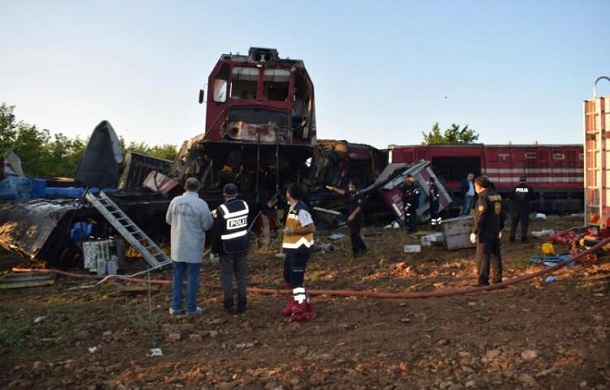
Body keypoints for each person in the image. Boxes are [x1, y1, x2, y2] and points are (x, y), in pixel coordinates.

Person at [166, 177, 214, 316]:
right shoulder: (201, 204)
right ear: (198, 188)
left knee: (177, 276)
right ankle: (191, 308)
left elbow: (168, 219)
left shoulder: (175, 201)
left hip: (178, 246)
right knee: (192, 277)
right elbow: (207, 225)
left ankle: (175, 307)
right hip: (193, 246)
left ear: (184, 187)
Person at [211, 183, 250, 315]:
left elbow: (217, 233)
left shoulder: (222, 209)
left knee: (227, 277)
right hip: (243, 246)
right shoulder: (244, 205)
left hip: (227, 248)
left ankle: (228, 305)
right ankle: (242, 304)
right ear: (236, 193)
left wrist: (214, 251)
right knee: (241, 276)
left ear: (224, 195)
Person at [281, 183, 317, 323]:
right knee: (288, 277)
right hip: (291, 250)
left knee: (297, 281)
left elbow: (311, 228)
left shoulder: (301, 210)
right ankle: (296, 300)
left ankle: (301, 305)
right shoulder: (293, 208)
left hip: (300, 250)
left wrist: (293, 231)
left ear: (290, 194)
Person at [470, 176, 503, 286]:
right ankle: (497, 279)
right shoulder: (497, 195)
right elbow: (502, 214)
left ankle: (483, 281)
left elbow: (481, 217)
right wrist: (500, 228)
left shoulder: (483, 198)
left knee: (483, 257)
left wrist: (474, 231)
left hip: (485, 232)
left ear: (478, 186)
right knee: (496, 256)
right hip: (495, 229)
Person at [328, 179, 367, 257]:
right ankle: (362, 248)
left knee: (354, 234)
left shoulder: (358, 194)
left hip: (356, 217)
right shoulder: (351, 193)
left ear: (353, 185)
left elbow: (360, 206)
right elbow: (342, 192)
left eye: (350, 184)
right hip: (351, 216)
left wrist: (353, 215)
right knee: (355, 234)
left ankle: (356, 251)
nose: (348, 185)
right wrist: (333, 189)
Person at [509, 176, 535, 243]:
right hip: (525, 209)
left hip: (515, 209)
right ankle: (524, 238)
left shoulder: (514, 188)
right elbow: (533, 197)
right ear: (525, 181)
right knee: (524, 224)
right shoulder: (529, 188)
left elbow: (510, 197)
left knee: (514, 223)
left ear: (519, 181)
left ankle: (512, 236)